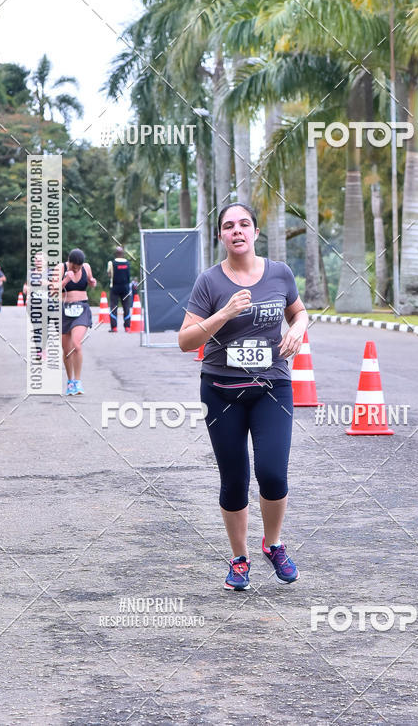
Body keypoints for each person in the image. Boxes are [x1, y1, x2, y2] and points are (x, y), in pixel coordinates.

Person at [178, 203, 308, 591]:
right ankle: (239, 558)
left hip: (272, 388)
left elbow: (299, 312)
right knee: (234, 478)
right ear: (221, 235)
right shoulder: (209, 282)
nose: (237, 230)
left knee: (272, 472)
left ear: (255, 232)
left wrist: (297, 328)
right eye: (229, 226)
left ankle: (273, 544)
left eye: (244, 224)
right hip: (221, 392)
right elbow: (186, 341)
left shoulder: (280, 273)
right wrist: (224, 313)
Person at [53, 248, 97, 396]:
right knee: (67, 350)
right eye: (73, 267)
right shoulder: (60, 268)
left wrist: (92, 282)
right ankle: (70, 381)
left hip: (81, 309)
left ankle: (78, 381)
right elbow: (52, 291)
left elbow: (91, 282)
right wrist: (66, 279)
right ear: (69, 261)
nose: (76, 269)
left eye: (79, 267)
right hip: (64, 310)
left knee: (76, 344)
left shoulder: (86, 267)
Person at [107, 246, 132, 332]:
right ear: (123, 254)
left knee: (113, 307)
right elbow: (128, 276)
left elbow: (109, 274)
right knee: (126, 307)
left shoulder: (111, 263)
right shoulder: (127, 263)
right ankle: (127, 327)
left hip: (115, 287)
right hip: (125, 288)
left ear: (115, 254)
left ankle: (114, 327)